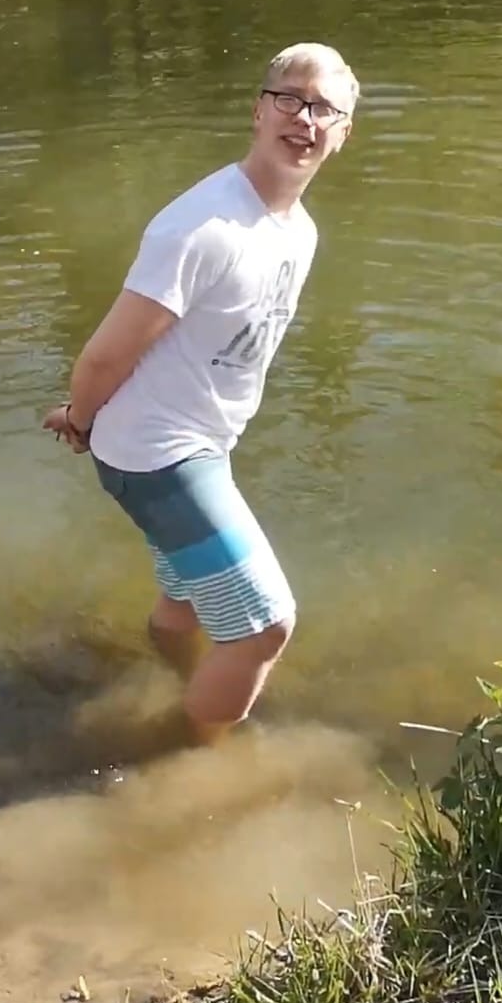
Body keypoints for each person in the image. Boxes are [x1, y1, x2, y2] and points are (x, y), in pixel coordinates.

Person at [42, 42, 358, 742]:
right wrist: (81, 420)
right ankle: (190, 752)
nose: (305, 119)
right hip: (159, 454)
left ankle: (173, 669)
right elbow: (107, 353)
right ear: (258, 111)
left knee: (186, 596)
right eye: (289, 99)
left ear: (343, 133)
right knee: (265, 626)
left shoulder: (297, 231)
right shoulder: (202, 227)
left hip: (195, 444)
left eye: (324, 109)